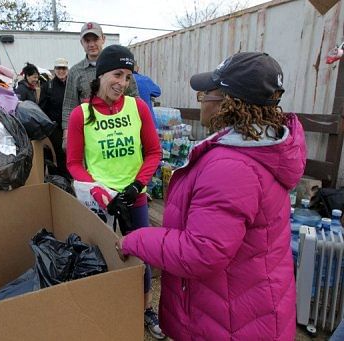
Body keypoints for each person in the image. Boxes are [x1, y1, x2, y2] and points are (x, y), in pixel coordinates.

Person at [116, 52, 307, 340]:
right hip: (248, 306)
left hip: (232, 321)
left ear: (227, 102)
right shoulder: (262, 148)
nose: (202, 99)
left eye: (205, 93)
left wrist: (135, 240)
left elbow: (202, 252)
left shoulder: (231, 166)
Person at [66, 45, 164, 339]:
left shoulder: (138, 108)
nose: (122, 82)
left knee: (141, 259)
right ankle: (105, 311)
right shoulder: (80, 115)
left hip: (135, 198)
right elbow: (73, 163)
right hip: (101, 202)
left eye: (128, 76)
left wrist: (136, 186)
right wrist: (97, 191)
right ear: (101, 75)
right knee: (104, 257)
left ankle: (145, 309)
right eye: (117, 74)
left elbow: (154, 152)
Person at [61, 22, 138, 150]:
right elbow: (69, 105)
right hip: (89, 132)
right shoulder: (75, 71)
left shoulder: (118, 63)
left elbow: (134, 98)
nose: (91, 44)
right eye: (87, 40)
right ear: (82, 43)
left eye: (95, 39)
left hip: (121, 130)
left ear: (103, 39)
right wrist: (67, 135)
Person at [39, 57, 70, 178]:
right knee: (59, 153)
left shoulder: (71, 85)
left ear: (67, 69)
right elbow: (41, 108)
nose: (61, 71)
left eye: (63, 68)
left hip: (70, 126)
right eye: (58, 68)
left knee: (72, 152)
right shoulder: (48, 86)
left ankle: (69, 176)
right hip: (55, 127)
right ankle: (61, 179)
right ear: (54, 69)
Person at [133, 63, 161, 127]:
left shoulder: (122, 81)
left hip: (131, 122)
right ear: (137, 68)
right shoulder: (144, 80)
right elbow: (158, 92)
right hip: (147, 121)